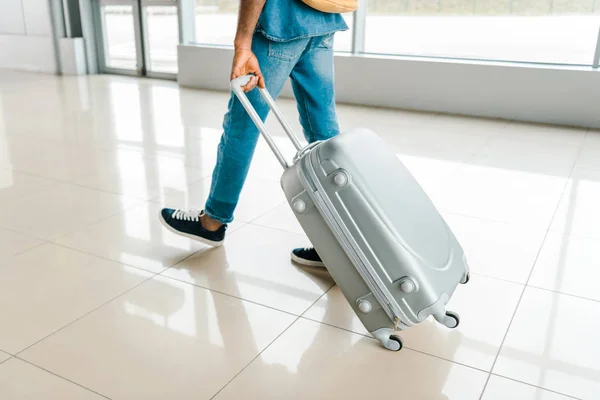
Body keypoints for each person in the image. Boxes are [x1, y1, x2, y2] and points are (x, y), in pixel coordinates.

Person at [160, 0, 347, 268]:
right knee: (324, 134)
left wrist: (243, 44)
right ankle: (342, 243)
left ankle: (213, 221)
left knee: (243, 126)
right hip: (322, 22)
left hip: (280, 24)